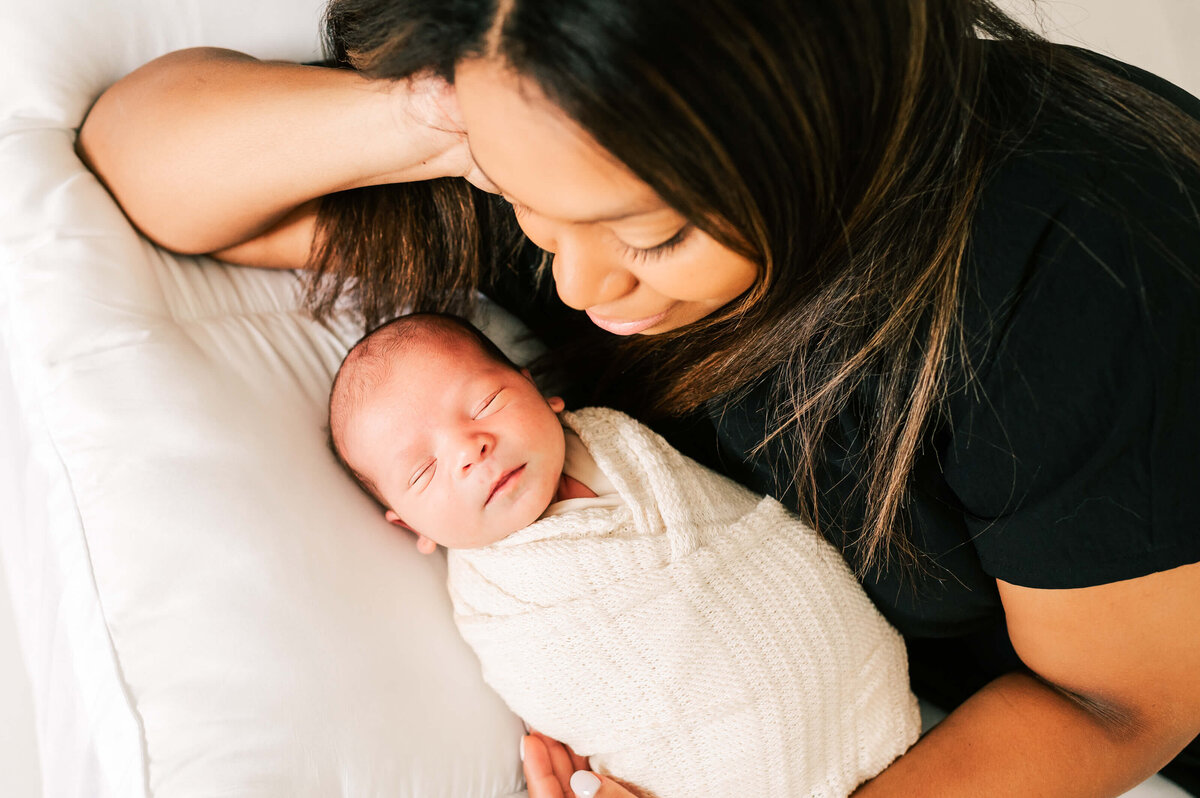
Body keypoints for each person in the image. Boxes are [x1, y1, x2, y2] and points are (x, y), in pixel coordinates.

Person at [76, 1, 1200, 796]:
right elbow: (145, 165)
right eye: (524, 206)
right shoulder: (559, 149)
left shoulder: (1082, 265)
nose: (578, 285)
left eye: (650, 237)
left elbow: (1117, 702)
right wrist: (470, 108)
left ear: (816, 131)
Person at [326, 310, 920, 798]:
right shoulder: (499, 603)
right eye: (425, 470)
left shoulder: (617, 439)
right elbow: (561, 689)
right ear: (411, 526)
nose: (469, 449)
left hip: (856, 680)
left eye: (484, 403)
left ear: (539, 391)